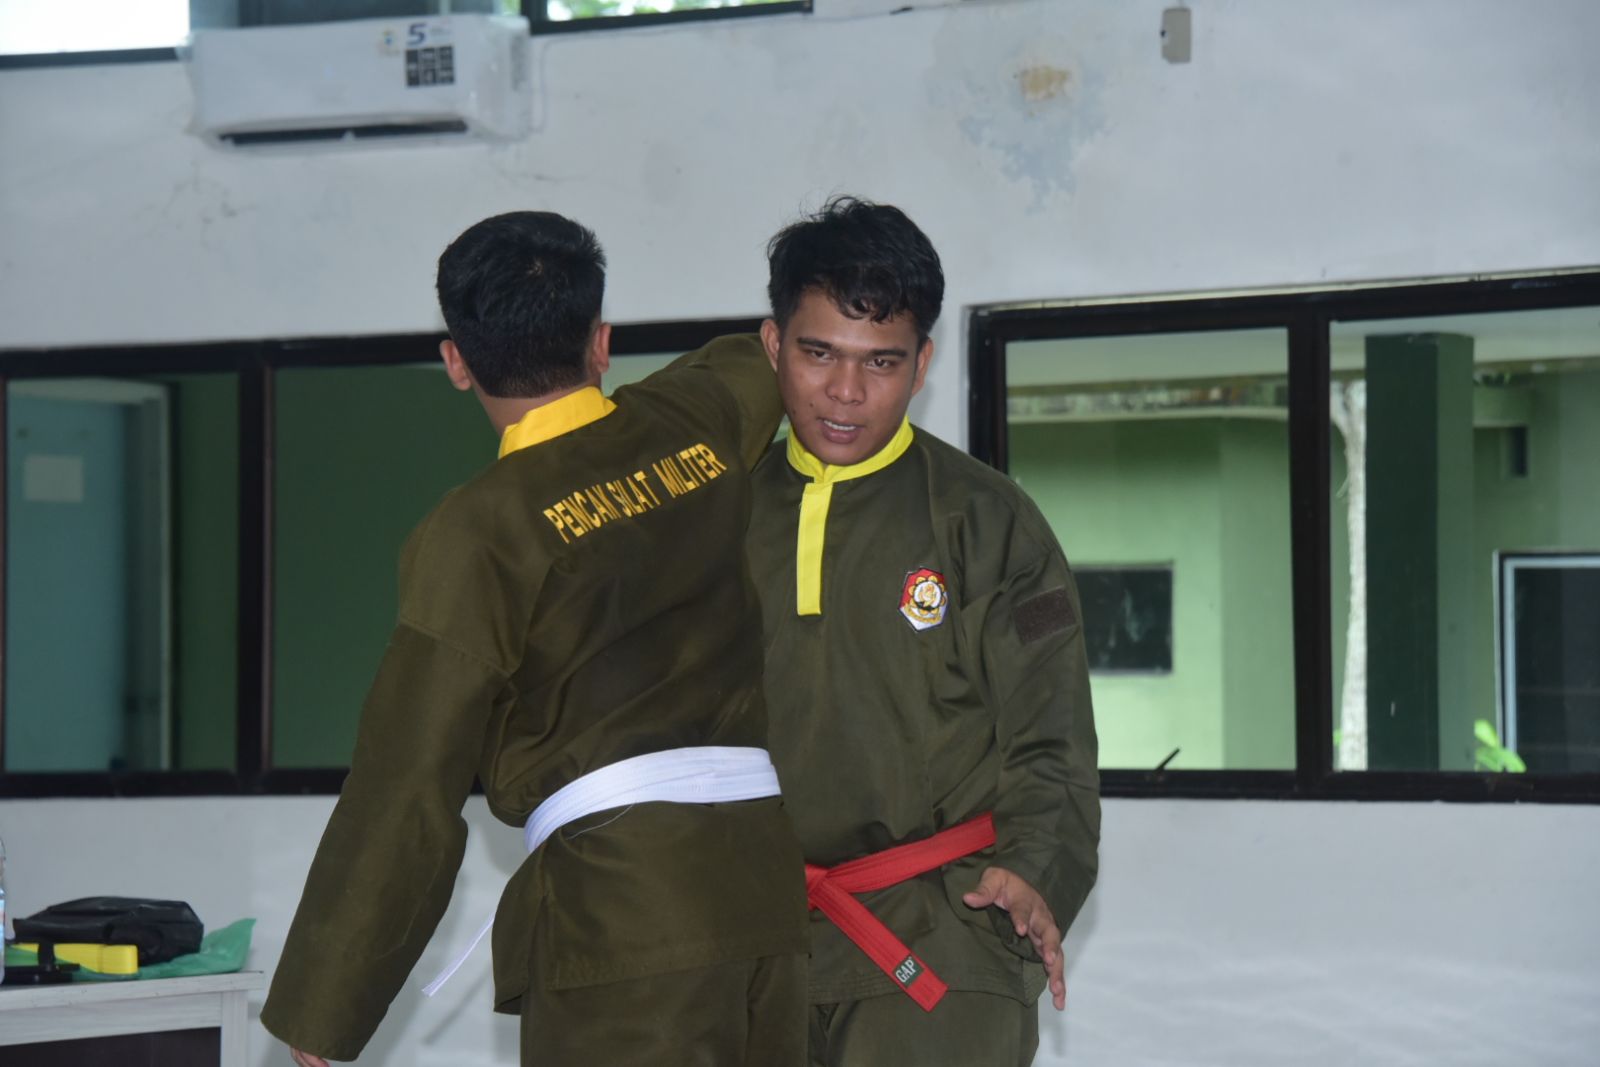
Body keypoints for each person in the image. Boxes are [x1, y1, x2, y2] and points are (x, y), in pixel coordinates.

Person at [260, 211, 808, 1067]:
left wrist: (325, 1004)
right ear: (602, 342)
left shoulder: (479, 532)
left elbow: (406, 782)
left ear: (456, 361)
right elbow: (758, 359)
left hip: (624, 910)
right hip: (766, 892)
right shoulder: (691, 419)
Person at [746, 197, 1101, 1067]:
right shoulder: (716, 514)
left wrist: (1036, 871)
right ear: (773, 344)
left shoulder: (989, 522)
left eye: (882, 362)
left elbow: (1052, 740)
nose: (846, 391)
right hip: (752, 945)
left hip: (943, 935)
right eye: (819, 352)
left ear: (923, 364)